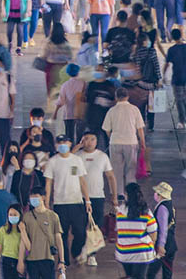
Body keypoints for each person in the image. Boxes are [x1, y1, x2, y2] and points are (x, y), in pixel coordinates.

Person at [44, 133, 91, 267]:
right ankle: (64, 260)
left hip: (76, 202)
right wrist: (47, 203)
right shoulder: (52, 162)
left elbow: (82, 181)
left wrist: (87, 200)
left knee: (80, 232)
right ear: (56, 145)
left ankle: (75, 252)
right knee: (61, 234)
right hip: (60, 204)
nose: (63, 145)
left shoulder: (76, 160)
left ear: (70, 144)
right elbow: (48, 183)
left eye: (65, 142)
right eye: (60, 143)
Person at [102, 87, 146, 195]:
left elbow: (107, 129)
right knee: (130, 169)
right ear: (127, 96)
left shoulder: (112, 111)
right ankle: (131, 193)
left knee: (116, 170)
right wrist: (143, 142)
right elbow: (140, 128)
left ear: (116, 97)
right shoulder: (134, 109)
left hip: (115, 142)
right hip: (131, 142)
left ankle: (119, 194)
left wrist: (111, 137)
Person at [115, 183, 158, 279]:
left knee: (130, 276)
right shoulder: (146, 212)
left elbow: (119, 230)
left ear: (127, 196)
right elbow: (153, 233)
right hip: (141, 253)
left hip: (124, 253)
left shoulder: (120, 212)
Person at [147, 182, 177, 279]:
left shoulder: (162, 208)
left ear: (160, 195)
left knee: (151, 273)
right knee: (167, 273)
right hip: (171, 244)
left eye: (156, 192)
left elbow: (163, 228)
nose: (155, 194)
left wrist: (161, 245)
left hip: (164, 247)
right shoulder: (170, 205)